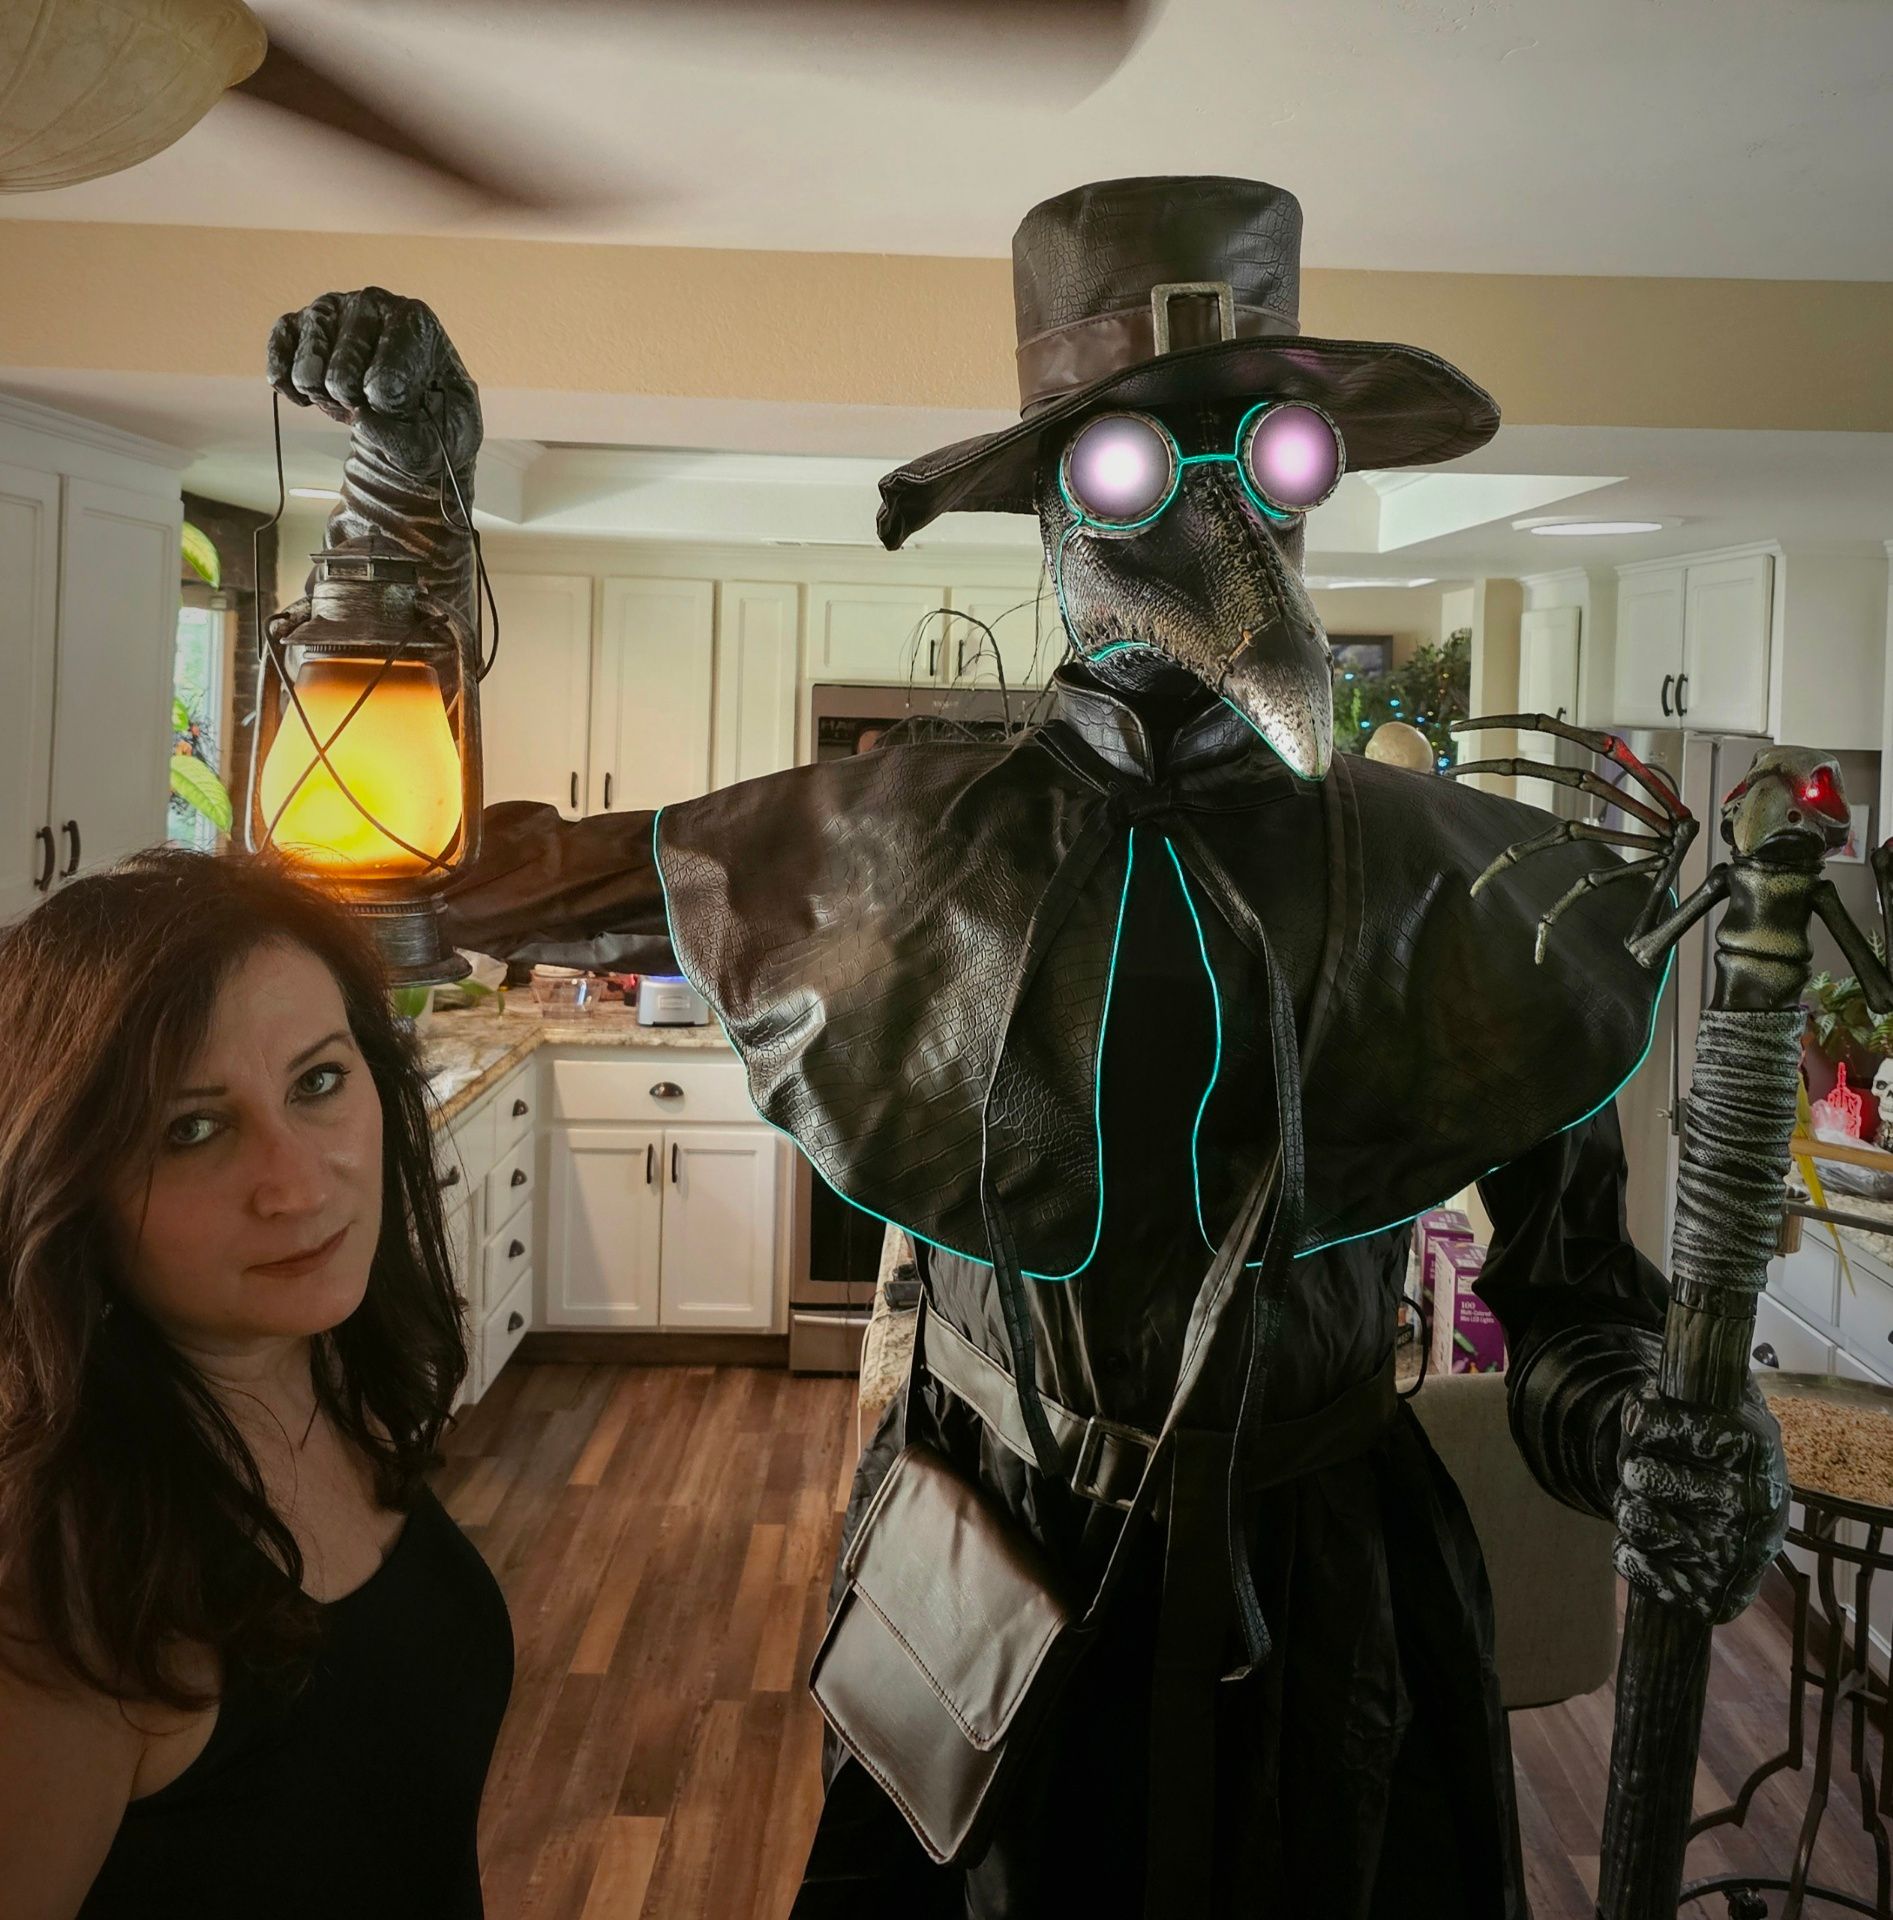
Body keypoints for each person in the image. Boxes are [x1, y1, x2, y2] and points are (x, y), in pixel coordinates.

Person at [269, 177, 1788, 1917]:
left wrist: (1643, 1428)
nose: (1209, 515)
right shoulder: (878, 848)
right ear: (1056, 504)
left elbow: (1576, 1303)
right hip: (986, 1567)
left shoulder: (1470, 895)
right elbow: (423, 875)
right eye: (1134, 459)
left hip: (1329, 1609)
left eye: (1266, 457)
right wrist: (402, 512)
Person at [0, 848, 513, 1920]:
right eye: (192, 1129)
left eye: (318, 1082)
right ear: (70, 1185)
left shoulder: (322, 1375)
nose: (297, 1184)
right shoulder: (70, 1595)